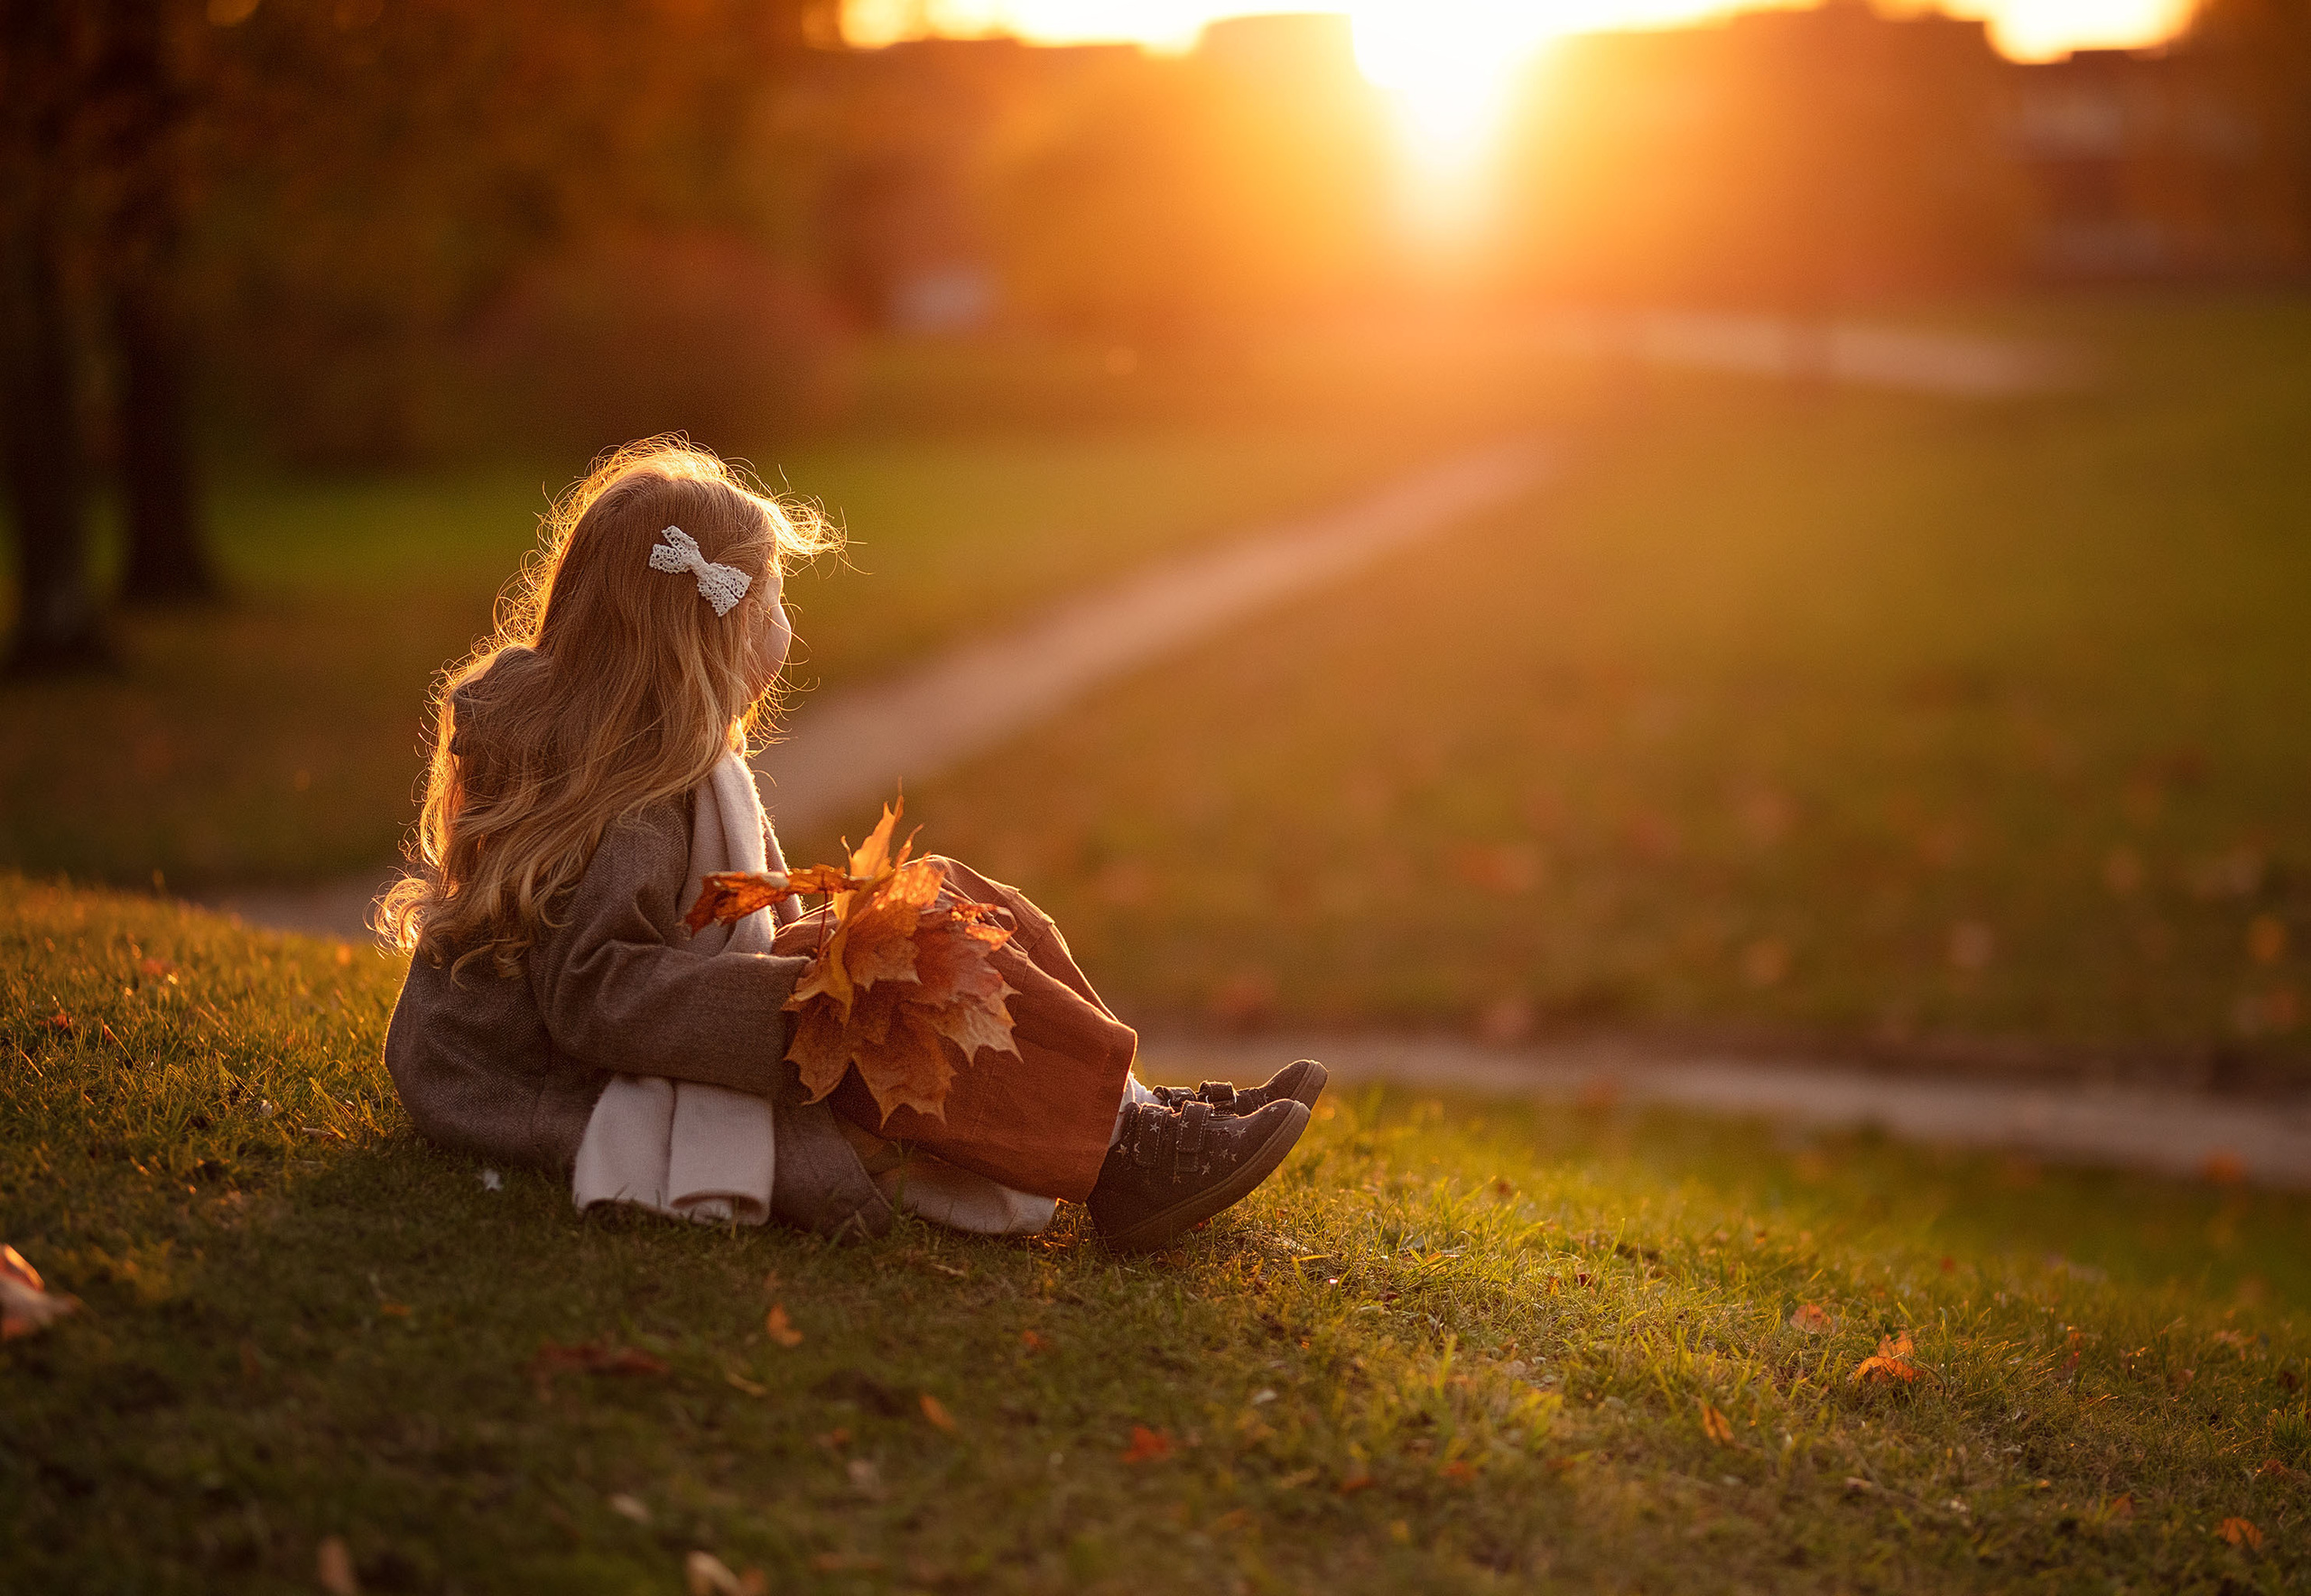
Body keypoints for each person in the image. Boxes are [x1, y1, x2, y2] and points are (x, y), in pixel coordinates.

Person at [377, 438, 1324, 1252]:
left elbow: (720, 925)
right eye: (775, 603)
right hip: (548, 1077)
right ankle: (1122, 1153)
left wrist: (839, 938)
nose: (788, 629)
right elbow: (600, 995)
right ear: (718, 630)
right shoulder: (632, 798)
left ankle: (1131, 1110)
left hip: (667, 1022)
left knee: (934, 899)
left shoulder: (655, 762)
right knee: (901, 974)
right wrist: (809, 991)